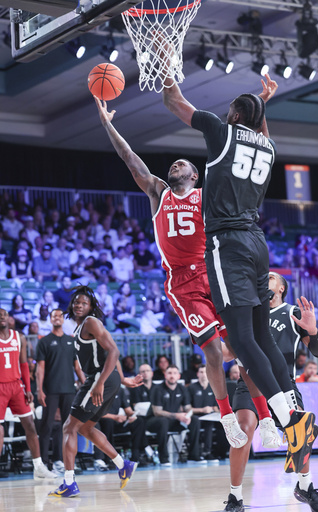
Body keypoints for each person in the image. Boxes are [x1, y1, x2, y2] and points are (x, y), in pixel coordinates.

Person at [159, 62, 317, 471]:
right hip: (258, 242)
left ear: (232, 116)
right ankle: (294, 415)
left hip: (226, 243)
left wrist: (162, 61)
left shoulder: (219, 129)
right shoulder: (268, 147)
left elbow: (172, 100)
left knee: (243, 343)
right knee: (261, 338)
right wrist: (261, 104)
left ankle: (289, 420)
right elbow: (259, 130)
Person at [94, 97, 269, 450]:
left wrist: (258, 112)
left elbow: (254, 151)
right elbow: (130, 158)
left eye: (182, 164)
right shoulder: (159, 192)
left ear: (194, 175)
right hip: (182, 282)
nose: (175, 164)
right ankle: (226, 415)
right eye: (173, 163)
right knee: (215, 352)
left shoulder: (207, 195)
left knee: (241, 348)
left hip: (214, 271)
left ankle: (265, 417)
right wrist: (107, 124)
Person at [221, 272, 318, 512]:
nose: (265, 278)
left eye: (270, 277)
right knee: (243, 430)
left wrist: (312, 332)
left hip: (283, 383)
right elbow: (226, 354)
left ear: (280, 288)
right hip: (250, 382)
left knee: (300, 431)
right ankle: (235, 497)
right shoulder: (246, 314)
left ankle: (305, 486)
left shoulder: (292, 312)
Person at [48, 285, 141, 498]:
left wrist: (101, 383)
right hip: (104, 379)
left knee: (69, 428)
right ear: (71, 305)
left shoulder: (91, 322)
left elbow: (114, 350)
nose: (79, 305)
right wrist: (123, 380)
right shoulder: (79, 328)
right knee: (85, 429)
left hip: (100, 379)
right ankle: (123, 464)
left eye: (84, 303)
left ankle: (69, 483)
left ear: (91, 307)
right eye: (77, 302)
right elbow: (109, 352)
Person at [0, 308, 57, 480]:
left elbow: (24, 365)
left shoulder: (19, 337)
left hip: (17, 386)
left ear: (9, 318)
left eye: (4, 314)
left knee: (30, 425)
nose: (1, 317)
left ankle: (38, 467)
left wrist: (28, 389)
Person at [35, 309, 85, 472]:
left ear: (63, 320)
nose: (57, 318)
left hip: (69, 390)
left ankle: (66, 462)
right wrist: (39, 390)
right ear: (50, 320)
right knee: (47, 427)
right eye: (53, 316)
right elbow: (40, 369)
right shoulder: (44, 341)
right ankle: (43, 464)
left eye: (59, 316)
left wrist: (86, 385)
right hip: (50, 391)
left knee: (69, 428)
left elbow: (77, 367)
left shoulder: (71, 341)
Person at [151, 365, 203, 462]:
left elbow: (188, 408)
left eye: (175, 373)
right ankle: (164, 458)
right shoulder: (158, 389)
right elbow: (157, 412)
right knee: (163, 421)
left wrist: (188, 416)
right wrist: (177, 415)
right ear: (165, 375)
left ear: (179, 376)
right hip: (154, 421)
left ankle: (194, 455)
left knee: (195, 420)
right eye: (169, 373)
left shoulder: (182, 389)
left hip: (174, 421)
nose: (172, 376)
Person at [130, 363, 171, 466]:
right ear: (139, 374)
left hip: (154, 418)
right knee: (139, 422)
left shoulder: (160, 388)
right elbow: (135, 406)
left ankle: (163, 457)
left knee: (163, 421)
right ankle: (145, 450)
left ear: (152, 373)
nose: (145, 373)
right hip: (140, 419)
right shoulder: (135, 388)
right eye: (142, 371)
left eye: (147, 371)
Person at [188, 365, 228, 461]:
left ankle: (220, 452)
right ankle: (199, 452)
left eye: (205, 372)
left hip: (210, 416)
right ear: (197, 374)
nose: (203, 375)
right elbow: (187, 409)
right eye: (201, 372)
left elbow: (215, 406)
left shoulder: (213, 387)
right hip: (195, 417)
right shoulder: (191, 388)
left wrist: (219, 413)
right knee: (202, 423)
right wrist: (202, 410)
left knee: (221, 423)